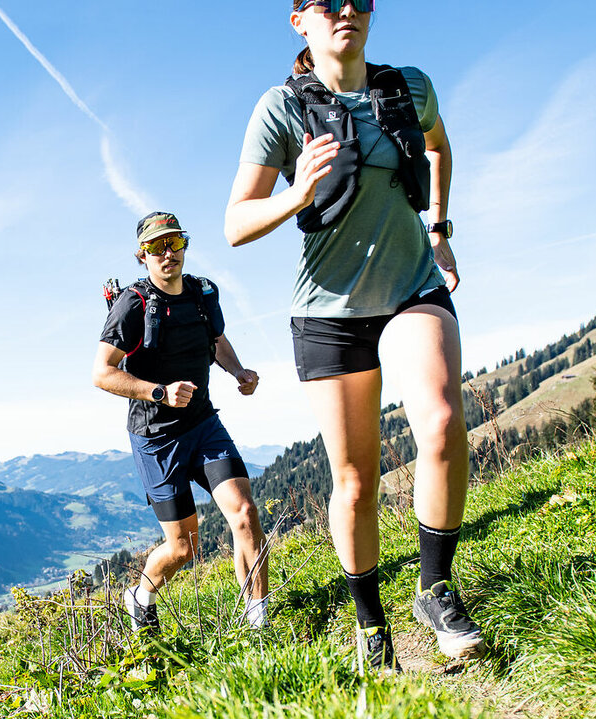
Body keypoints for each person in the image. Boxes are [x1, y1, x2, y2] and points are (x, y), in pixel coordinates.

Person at [223, 0, 484, 670]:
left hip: (411, 290)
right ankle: (370, 624)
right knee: (356, 481)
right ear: (298, 22)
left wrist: (440, 227)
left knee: (442, 419)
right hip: (329, 315)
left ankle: (436, 588)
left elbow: (438, 144)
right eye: (327, 0)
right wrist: (296, 192)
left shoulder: (409, 88)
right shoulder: (280, 110)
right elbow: (235, 222)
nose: (346, 9)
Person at [93, 211, 270, 635]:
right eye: (156, 247)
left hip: (203, 424)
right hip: (157, 438)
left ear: (185, 246)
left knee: (244, 514)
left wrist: (238, 371)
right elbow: (102, 372)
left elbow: (216, 341)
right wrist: (159, 391)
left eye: (174, 242)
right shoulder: (132, 305)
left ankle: (259, 626)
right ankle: (140, 596)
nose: (167, 253)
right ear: (143, 255)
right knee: (183, 547)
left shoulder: (203, 293)